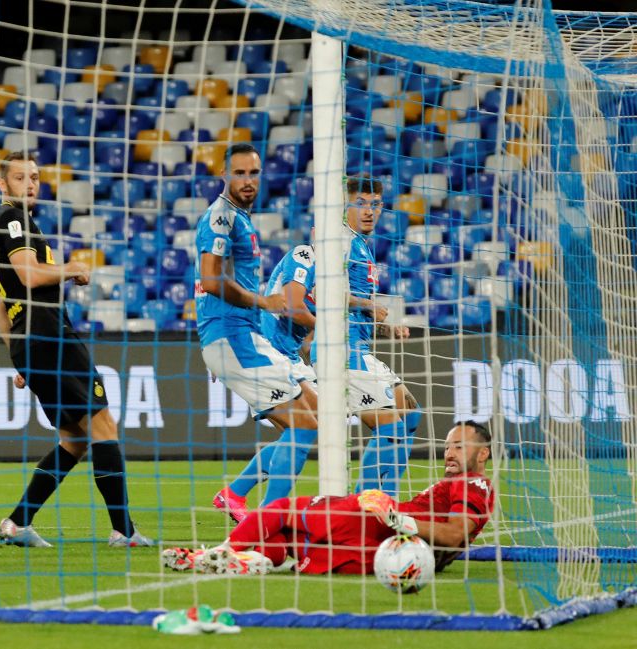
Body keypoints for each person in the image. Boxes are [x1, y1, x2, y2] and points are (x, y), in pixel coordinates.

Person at [0, 151, 151, 548]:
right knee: (103, 427)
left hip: (34, 342)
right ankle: (124, 531)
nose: (30, 184)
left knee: (74, 441)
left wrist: (19, 354)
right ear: (2, 184)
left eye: (35, 177)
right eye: (20, 177)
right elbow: (28, 275)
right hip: (50, 336)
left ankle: (17, 523)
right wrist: (71, 267)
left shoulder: (17, 225)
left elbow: (0, 300)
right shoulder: (12, 219)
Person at [164, 421, 494, 576]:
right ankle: (246, 562)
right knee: (291, 541)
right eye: (448, 445)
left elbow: (454, 534)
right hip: (377, 553)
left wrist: (397, 518)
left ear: (483, 454)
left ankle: (220, 552)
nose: (449, 453)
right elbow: (450, 541)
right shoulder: (460, 485)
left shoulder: (474, 483)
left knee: (282, 510)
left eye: (460, 447)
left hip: (375, 524)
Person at [197, 143, 320, 523]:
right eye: (239, 173)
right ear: (224, 175)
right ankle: (268, 522)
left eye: (254, 173)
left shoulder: (242, 219)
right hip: (233, 337)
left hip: (241, 338)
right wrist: (261, 302)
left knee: (312, 419)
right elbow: (210, 279)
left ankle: (241, 498)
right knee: (305, 426)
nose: (248, 181)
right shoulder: (221, 216)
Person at [213, 234, 319, 517]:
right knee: (308, 426)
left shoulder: (336, 275)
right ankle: (267, 515)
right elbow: (295, 309)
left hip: (290, 356)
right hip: (270, 353)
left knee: (303, 431)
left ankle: (234, 494)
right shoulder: (305, 255)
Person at [340, 175, 422, 496]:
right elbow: (320, 290)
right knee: (391, 426)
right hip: (343, 349)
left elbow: (357, 302)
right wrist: (367, 305)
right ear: (346, 204)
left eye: (375, 204)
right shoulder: (340, 241)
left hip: (359, 345)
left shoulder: (361, 245)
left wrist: (383, 322)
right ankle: (367, 506)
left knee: (411, 412)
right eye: (360, 203)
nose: (369, 211)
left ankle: (380, 497)